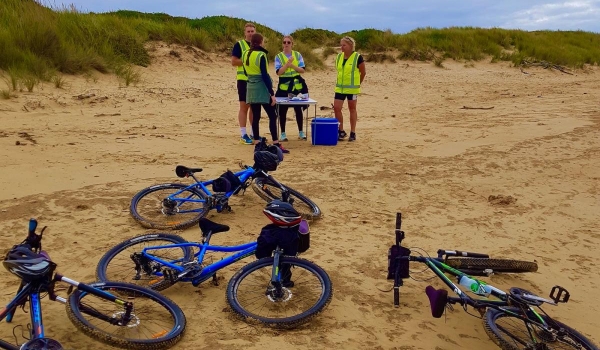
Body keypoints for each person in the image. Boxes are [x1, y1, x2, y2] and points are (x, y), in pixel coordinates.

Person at [243, 33, 289, 153]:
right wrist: (271, 93)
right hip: (261, 88)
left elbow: (245, 71)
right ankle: (275, 143)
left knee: (256, 116)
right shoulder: (261, 55)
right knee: (272, 115)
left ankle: (257, 143)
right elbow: (264, 75)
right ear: (260, 42)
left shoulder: (245, 53)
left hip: (251, 87)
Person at [274, 35, 308, 141]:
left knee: (298, 109)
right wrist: (286, 65)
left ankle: (301, 132)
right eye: (284, 42)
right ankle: (283, 133)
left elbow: (302, 70)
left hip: (296, 88)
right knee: (282, 110)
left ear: (292, 44)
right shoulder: (278, 57)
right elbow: (279, 72)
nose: (286, 44)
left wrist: (292, 65)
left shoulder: (297, 55)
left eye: (288, 42)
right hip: (284, 88)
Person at [333, 36, 366, 142]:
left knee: (352, 109)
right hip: (340, 88)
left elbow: (363, 72)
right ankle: (341, 131)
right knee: (336, 108)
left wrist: (357, 84)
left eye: (344, 45)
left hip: (352, 89)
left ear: (351, 46)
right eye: (341, 45)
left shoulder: (357, 57)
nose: (341, 47)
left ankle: (353, 132)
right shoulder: (339, 57)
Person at [231, 23, 256, 145]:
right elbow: (234, 61)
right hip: (243, 80)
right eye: (249, 31)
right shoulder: (239, 45)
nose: (251, 33)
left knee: (254, 107)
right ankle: (243, 134)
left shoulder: (257, 45)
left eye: (252, 31)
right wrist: (247, 61)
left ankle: (253, 133)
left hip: (255, 81)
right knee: (244, 107)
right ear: (245, 33)